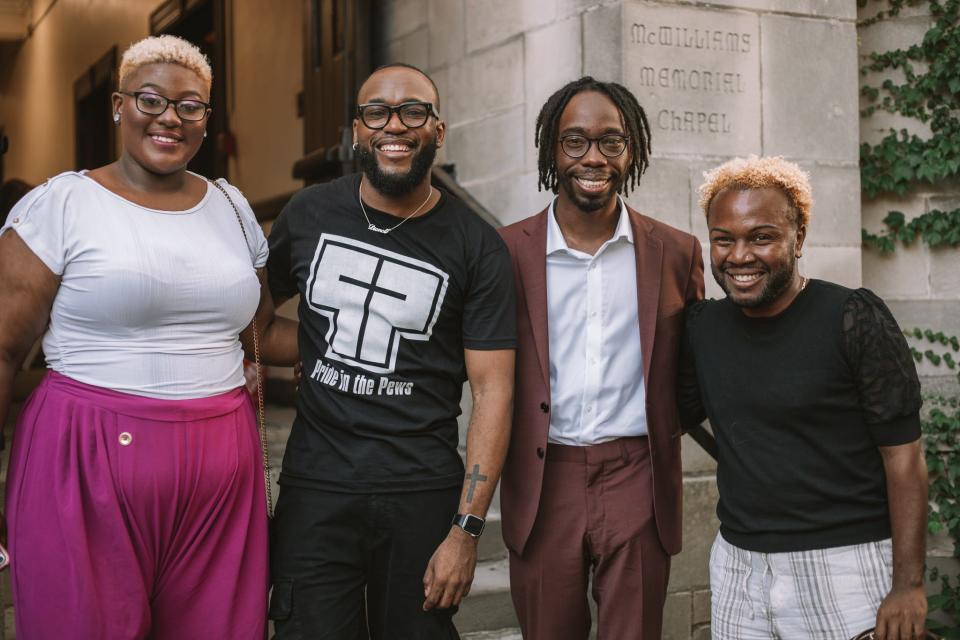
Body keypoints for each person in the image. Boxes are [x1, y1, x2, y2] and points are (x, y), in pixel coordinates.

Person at [0, 35, 297, 638]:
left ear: (206, 120)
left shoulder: (232, 208)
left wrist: (371, 337)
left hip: (222, 464)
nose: (170, 118)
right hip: (83, 459)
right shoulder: (62, 203)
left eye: (191, 106)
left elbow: (259, 332)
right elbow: (3, 349)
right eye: (150, 99)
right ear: (117, 104)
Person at [266, 62, 516, 639]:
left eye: (414, 111)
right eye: (376, 111)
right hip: (317, 488)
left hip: (422, 493)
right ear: (358, 129)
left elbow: (493, 389)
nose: (394, 125)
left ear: (439, 130)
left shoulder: (477, 246)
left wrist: (466, 531)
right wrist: (310, 349)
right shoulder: (307, 214)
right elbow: (250, 322)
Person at [680, 155, 929, 640]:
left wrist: (909, 584)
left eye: (762, 236)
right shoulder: (702, 327)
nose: (739, 256)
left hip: (844, 568)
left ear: (799, 239)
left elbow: (905, 459)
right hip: (738, 569)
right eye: (723, 239)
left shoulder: (853, 317)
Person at [497, 77, 705, 639]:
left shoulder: (676, 252)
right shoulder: (505, 252)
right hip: (544, 481)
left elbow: (698, 370)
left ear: (631, 148)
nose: (594, 156)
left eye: (611, 141)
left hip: (638, 476)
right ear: (551, 150)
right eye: (576, 141)